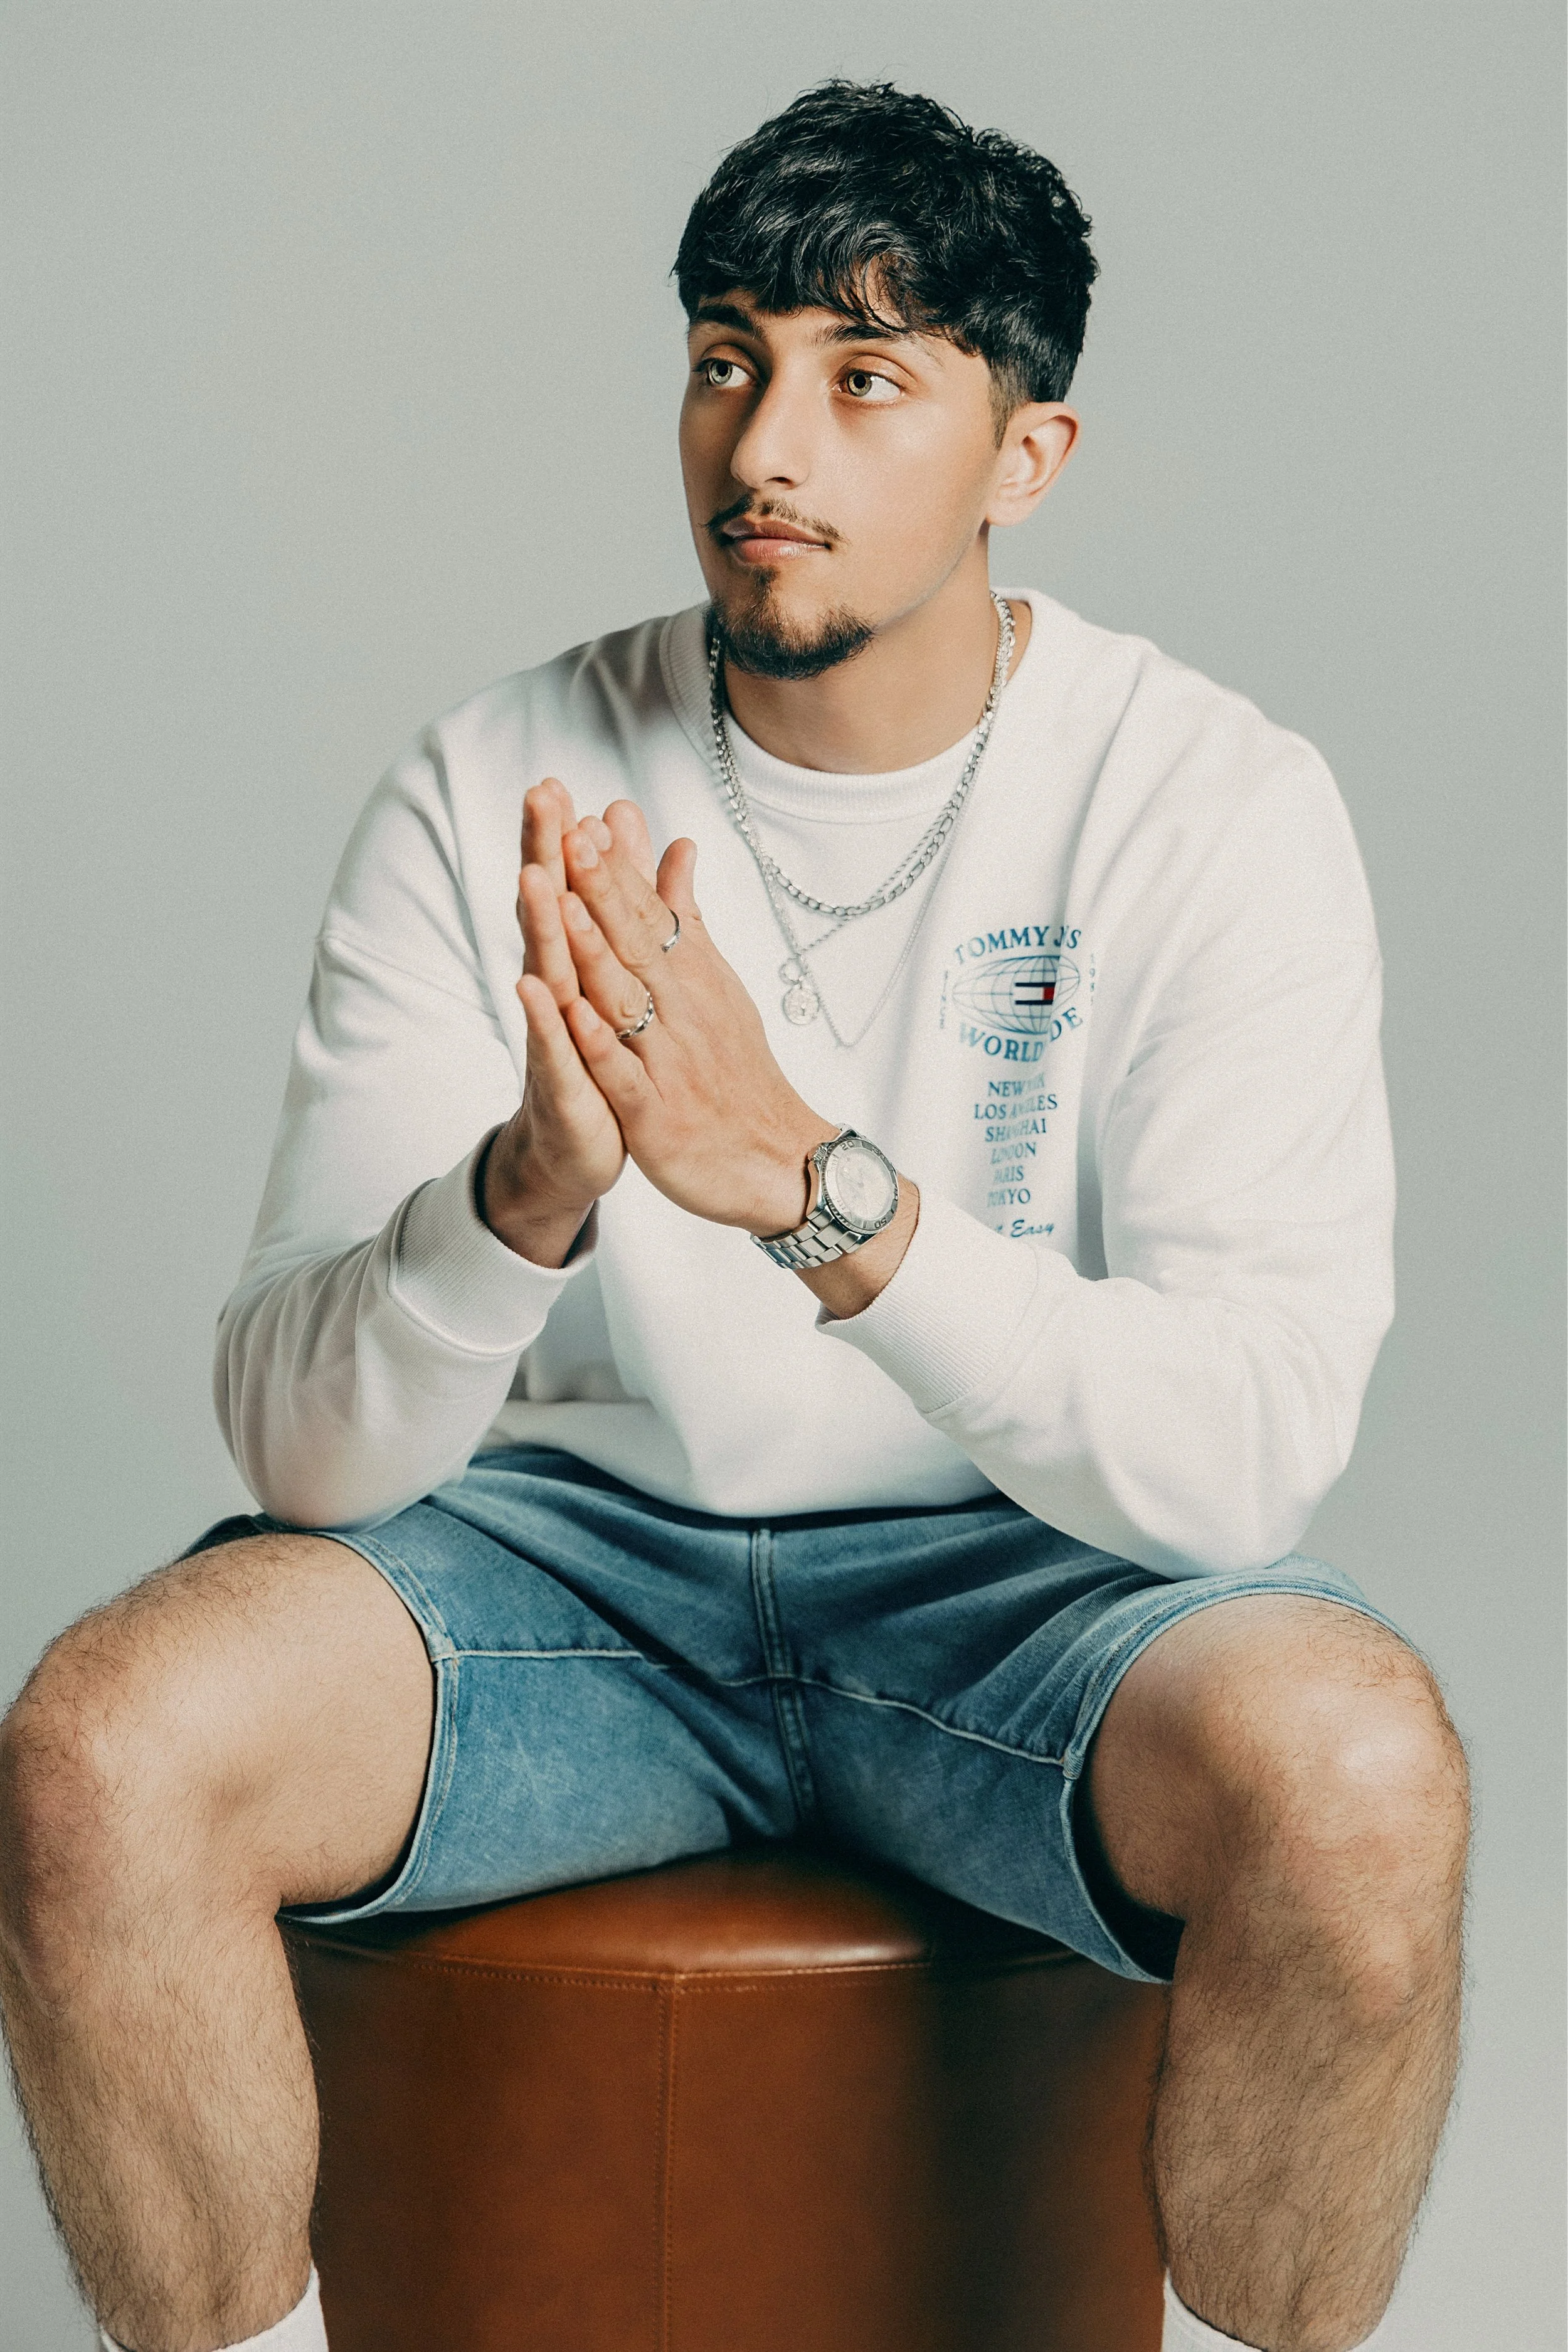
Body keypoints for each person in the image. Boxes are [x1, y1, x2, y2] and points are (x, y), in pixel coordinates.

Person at [0, 80, 1467, 2352]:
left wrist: (820, 1197)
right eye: (726, 357)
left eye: (863, 376)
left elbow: (1244, 1448)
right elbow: (297, 1461)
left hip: (1022, 1585)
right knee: (100, 1753)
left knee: (1364, 1774)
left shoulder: (1210, 803)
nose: (763, 440)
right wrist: (522, 1198)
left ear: (1023, 455)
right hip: (565, 1586)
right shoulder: (493, 775)